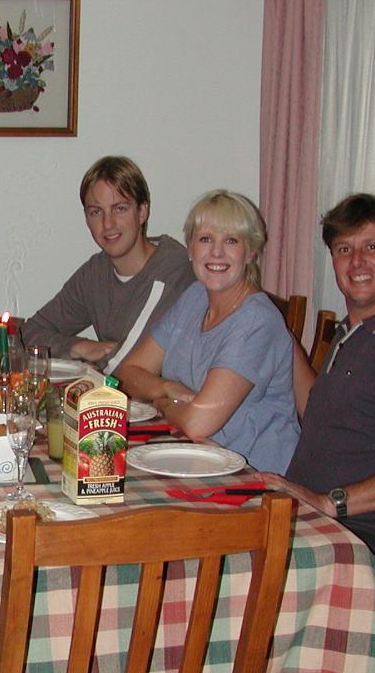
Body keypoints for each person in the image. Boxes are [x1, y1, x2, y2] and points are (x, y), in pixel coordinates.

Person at [266, 194, 375, 606]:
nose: (357, 262)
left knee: (213, 575)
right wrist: (282, 336)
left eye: (372, 247)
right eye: (344, 249)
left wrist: (329, 503)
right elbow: (323, 413)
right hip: (311, 527)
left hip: (366, 550)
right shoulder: (354, 333)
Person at [116, 190, 300, 474]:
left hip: (254, 483)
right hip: (197, 462)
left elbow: (198, 423)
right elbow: (128, 373)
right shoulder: (195, 296)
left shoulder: (256, 321)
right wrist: (167, 388)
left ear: (250, 251)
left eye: (231, 240)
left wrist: (164, 403)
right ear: (190, 248)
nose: (216, 252)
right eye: (205, 239)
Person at [23, 156, 196, 372]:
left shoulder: (171, 270)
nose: (108, 224)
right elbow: (31, 332)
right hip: (118, 400)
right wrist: (78, 347)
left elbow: (124, 368)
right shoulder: (96, 272)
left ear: (142, 212)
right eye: (96, 212)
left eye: (120, 208)